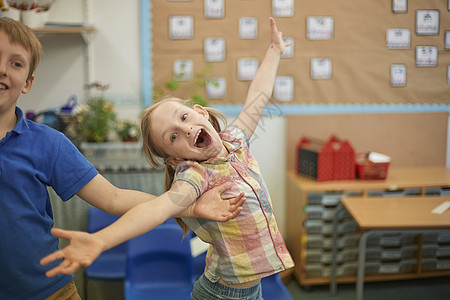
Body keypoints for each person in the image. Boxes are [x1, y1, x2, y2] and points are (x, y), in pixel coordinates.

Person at [41, 17, 294, 299]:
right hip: (224, 294)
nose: (185, 129)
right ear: (174, 160)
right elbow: (157, 210)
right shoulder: (195, 176)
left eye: (184, 117)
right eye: (172, 137)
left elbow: (258, 96)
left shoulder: (235, 140)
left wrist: (273, 50)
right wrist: (101, 240)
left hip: (249, 289)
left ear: (202, 112)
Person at [0, 17, 245, 300]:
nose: (2, 69)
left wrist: (191, 207)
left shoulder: (47, 143)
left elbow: (114, 198)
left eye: (15, 63)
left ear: (28, 82)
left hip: (48, 292)